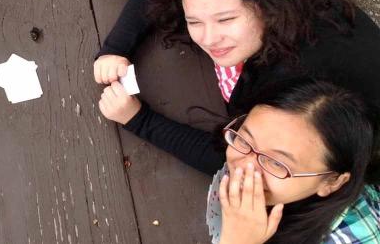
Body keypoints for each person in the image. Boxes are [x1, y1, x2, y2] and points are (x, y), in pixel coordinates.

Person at [94, 0, 380, 179]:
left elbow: (242, 165)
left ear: (265, 7)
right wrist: (115, 48)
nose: (209, 38)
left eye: (226, 19)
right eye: (195, 21)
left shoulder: (292, 79)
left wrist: (138, 120)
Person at [105, 79, 379, 243]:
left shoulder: (352, 236)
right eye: (245, 138)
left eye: (277, 163)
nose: (245, 167)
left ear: (332, 182)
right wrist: (138, 120)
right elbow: (210, 156)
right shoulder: (254, 158)